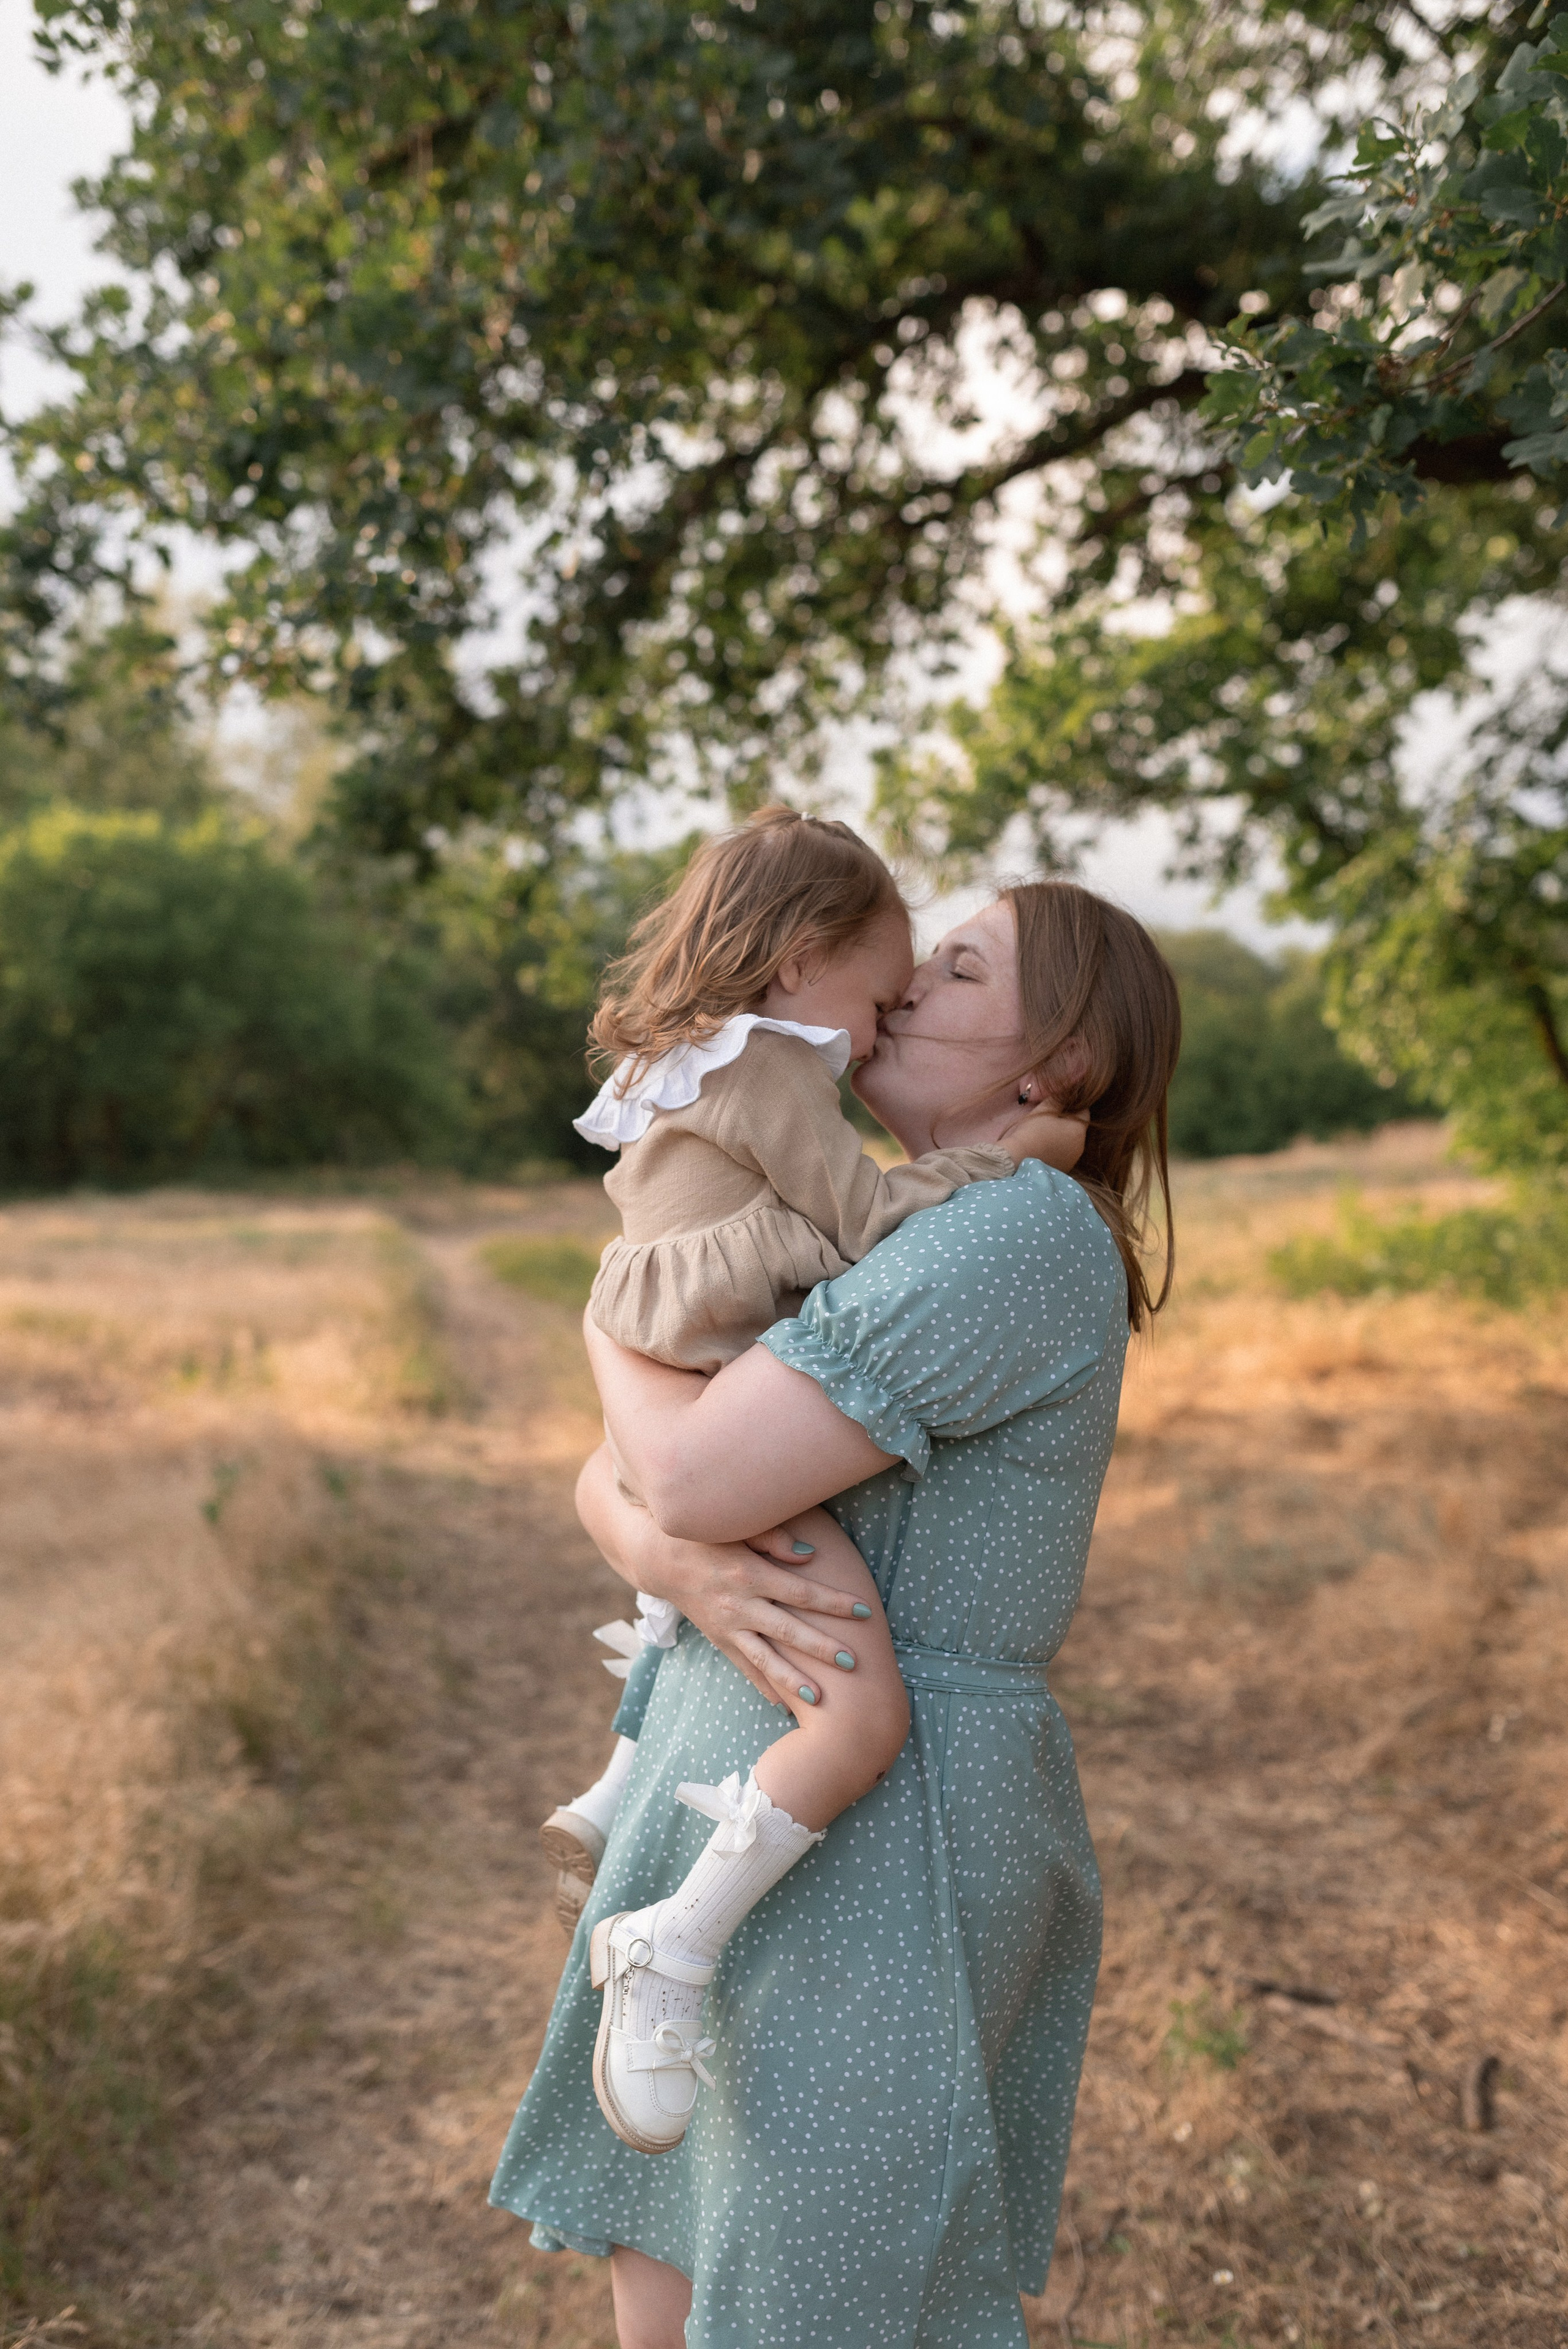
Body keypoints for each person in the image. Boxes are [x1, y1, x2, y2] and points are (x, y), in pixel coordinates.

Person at [493, 879, 1181, 2349]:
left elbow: (675, 1465)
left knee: (822, 2293)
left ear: (1054, 1059)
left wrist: (605, 1322)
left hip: (888, 1832)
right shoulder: (876, 1218)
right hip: (755, 1778)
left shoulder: (1011, 1233)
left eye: (960, 966)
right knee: (676, 2252)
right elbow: (618, 1487)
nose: (911, 982)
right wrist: (669, 1547)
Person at [538, 812, 1086, 2144]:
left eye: (949, 981)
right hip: (704, 1352)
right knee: (854, 1720)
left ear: (1057, 1055)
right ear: (796, 965)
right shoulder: (778, 1073)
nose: (880, 1021)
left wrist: (640, 1455)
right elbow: (864, 1223)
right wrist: (999, 1160)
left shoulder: (711, 1063)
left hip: (680, 1347)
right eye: (887, 986)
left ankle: (618, 1787)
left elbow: (632, 1477)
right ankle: (669, 1942)